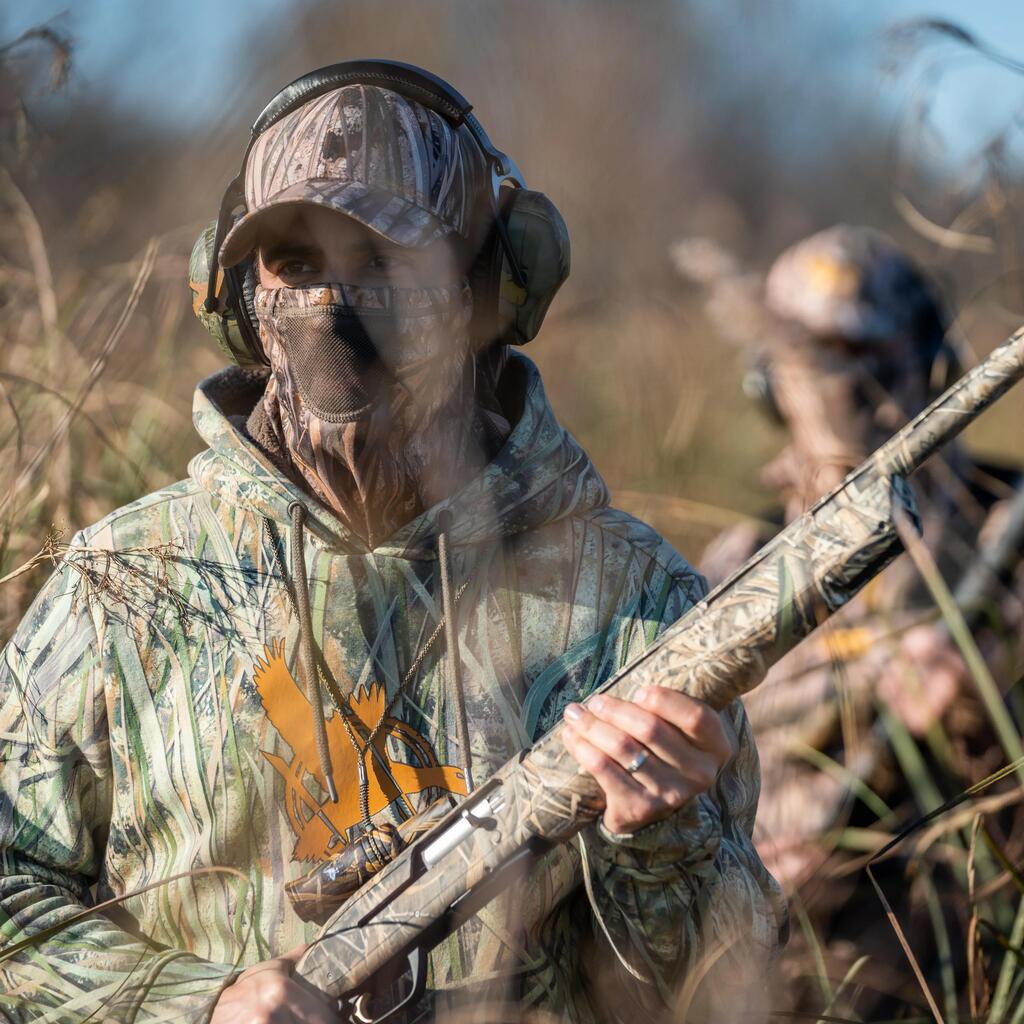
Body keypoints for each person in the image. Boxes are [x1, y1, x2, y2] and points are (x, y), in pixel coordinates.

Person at [0, 64, 784, 1024]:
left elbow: (729, 990)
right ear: (236, 297)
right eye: (295, 263)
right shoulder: (123, 586)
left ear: (487, 289)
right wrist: (198, 1005)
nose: (336, 305)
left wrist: (665, 842)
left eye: (387, 263)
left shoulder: (635, 602)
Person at [701, 223, 1024, 893]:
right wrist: (738, 876)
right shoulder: (737, 563)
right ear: (766, 381)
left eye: (865, 352)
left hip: (965, 923)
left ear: (935, 365)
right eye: (812, 354)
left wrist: (985, 724)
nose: (845, 387)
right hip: (785, 946)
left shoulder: (1007, 533)